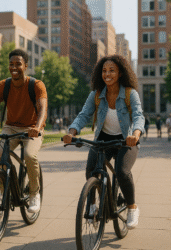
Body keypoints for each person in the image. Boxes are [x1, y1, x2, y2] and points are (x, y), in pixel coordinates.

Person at [62, 55, 145, 229]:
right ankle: (93, 205)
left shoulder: (131, 94)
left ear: (120, 73)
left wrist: (136, 135)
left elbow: (138, 116)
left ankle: (132, 208)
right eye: (104, 71)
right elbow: (84, 115)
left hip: (126, 141)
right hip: (103, 139)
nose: (107, 74)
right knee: (92, 170)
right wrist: (72, 132)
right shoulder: (97, 95)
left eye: (112, 70)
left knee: (122, 173)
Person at [0, 49, 48, 213]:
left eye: (18, 64)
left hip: (32, 128)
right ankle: (3, 192)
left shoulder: (36, 85)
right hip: (11, 126)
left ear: (25, 66)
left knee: (29, 155)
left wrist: (37, 127)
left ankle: (35, 194)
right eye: (11, 64)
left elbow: (42, 109)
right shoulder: (3, 85)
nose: (14, 67)